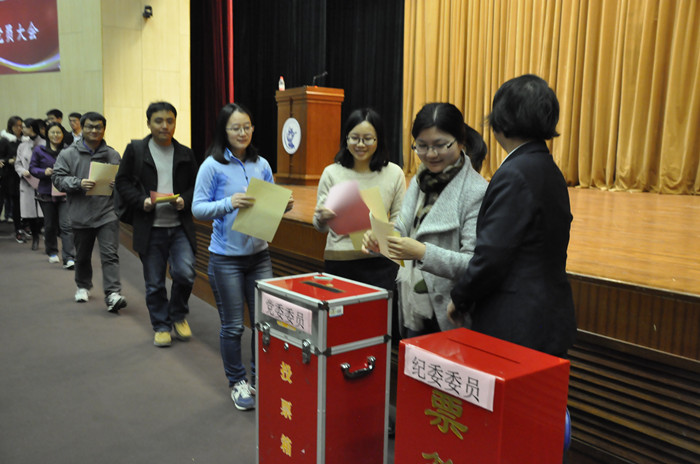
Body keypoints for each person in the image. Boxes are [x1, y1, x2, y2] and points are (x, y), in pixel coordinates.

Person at [447, 74, 577, 358]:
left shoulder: (514, 174)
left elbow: (492, 255)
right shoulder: (548, 168)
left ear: (500, 120)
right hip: (547, 317)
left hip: (516, 325)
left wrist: (461, 297)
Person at [192, 103, 293, 411]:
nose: (242, 132)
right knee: (234, 326)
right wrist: (228, 203)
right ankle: (237, 381)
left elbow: (268, 203)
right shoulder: (212, 165)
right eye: (235, 128)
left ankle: (260, 378)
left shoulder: (261, 164)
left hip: (260, 256)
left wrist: (282, 206)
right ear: (224, 131)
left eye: (247, 127)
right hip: (226, 259)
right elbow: (197, 208)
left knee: (264, 324)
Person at [363, 102, 488, 337]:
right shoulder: (421, 179)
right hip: (415, 304)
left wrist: (422, 252)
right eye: (421, 146)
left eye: (440, 145)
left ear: (461, 142)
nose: (430, 154)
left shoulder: (476, 191)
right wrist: (382, 239)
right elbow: (402, 226)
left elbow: (473, 264)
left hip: (450, 312)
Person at [115, 102, 198, 347]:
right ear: (149, 123)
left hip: (179, 226)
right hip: (150, 227)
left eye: (170, 121)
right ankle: (161, 325)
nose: (165, 126)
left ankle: (178, 314)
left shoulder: (185, 153)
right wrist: (141, 201)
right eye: (159, 121)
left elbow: (196, 186)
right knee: (154, 282)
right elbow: (122, 182)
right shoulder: (136, 150)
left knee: (185, 273)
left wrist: (185, 200)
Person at [313, 108, 405, 291]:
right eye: (354, 138)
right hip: (340, 262)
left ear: (378, 140)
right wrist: (322, 218)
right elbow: (320, 226)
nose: (360, 144)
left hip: (381, 262)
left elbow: (400, 221)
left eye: (368, 139)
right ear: (346, 139)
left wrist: (381, 233)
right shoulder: (331, 173)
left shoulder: (394, 173)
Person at [52, 111, 127, 313]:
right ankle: (83, 285)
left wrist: (118, 185)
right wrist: (78, 183)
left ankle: (113, 294)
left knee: (110, 255)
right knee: (83, 255)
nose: (94, 130)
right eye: (89, 127)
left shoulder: (112, 155)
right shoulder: (68, 154)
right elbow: (57, 179)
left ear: (104, 129)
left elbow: (125, 182)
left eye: (98, 127)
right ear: (82, 128)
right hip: (80, 214)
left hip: (107, 213)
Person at [29, 121, 76, 268]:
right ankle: (52, 252)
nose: (56, 135)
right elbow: (32, 168)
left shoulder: (69, 150)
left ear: (63, 134)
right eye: (52, 132)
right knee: (50, 225)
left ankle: (69, 257)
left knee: (66, 225)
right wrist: (44, 172)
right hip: (46, 192)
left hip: (64, 192)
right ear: (47, 134)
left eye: (58, 132)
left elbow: (75, 167)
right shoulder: (39, 150)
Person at [15, 118, 46, 250]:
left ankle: (47, 238)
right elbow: (17, 164)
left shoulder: (45, 143)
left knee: (44, 213)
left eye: (24, 127)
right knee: (31, 214)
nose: (22, 129)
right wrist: (23, 171)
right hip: (27, 182)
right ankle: (35, 237)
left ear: (31, 128)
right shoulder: (22, 146)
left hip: (43, 181)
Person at [0, 116, 23, 238]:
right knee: (2, 201)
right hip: (6, 175)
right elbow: (0, 159)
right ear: (11, 126)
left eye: (20, 125)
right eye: (16, 126)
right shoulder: (5, 140)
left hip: (19, 175)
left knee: (17, 203)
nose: (19, 128)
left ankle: (18, 228)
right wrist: (8, 160)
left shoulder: (23, 140)